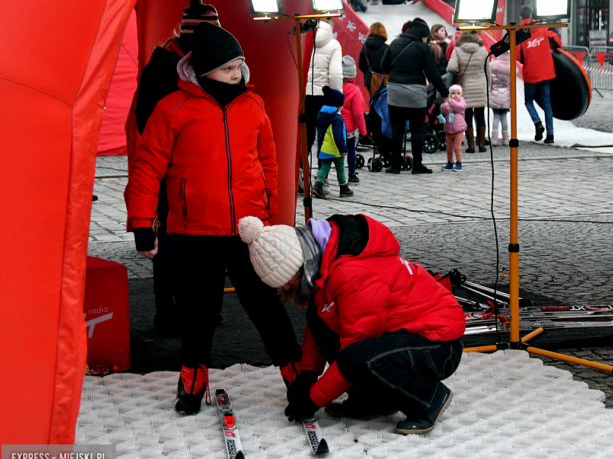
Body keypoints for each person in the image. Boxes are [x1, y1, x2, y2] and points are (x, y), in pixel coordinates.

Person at [126, 23, 302, 415]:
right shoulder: (171, 108)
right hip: (194, 231)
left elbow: (268, 163)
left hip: (247, 231)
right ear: (203, 69)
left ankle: (296, 374)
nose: (236, 74)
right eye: (227, 68)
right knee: (197, 310)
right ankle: (192, 377)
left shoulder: (253, 105)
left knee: (266, 306)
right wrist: (141, 222)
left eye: (239, 66)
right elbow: (146, 168)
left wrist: (268, 215)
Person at [237, 214, 466, 434]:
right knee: (320, 317)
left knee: (358, 357)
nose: (286, 288)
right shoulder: (326, 262)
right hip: (402, 340)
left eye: (286, 280)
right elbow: (321, 324)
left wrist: (313, 399)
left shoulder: (352, 273)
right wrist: (306, 375)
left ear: (299, 264)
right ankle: (369, 400)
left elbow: (356, 348)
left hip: (438, 347)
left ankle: (428, 399)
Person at [130, 0, 221, 335]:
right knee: (168, 243)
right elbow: (146, 121)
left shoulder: (212, 62)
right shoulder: (163, 64)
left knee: (207, 242)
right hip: (171, 168)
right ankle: (166, 314)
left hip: (204, 168)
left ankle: (204, 309)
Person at [381, 18, 450, 174]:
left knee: (397, 129)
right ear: (422, 35)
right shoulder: (423, 48)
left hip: (396, 91)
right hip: (415, 92)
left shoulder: (394, 44)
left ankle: (395, 165)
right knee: (417, 129)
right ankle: (417, 165)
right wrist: (445, 93)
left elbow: (383, 66)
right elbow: (432, 74)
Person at [517, 6, 562, 144]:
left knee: (528, 101)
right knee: (547, 103)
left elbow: (519, 56)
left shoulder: (519, 32)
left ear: (521, 17)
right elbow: (557, 43)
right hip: (546, 71)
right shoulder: (543, 28)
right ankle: (550, 135)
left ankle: (537, 123)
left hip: (531, 72)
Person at [447, 31, 491, 153]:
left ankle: (471, 146)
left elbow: (451, 67)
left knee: (468, 115)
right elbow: (488, 69)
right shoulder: (482, 49)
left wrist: (459, 71)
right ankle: (482, 145)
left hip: (466, 85)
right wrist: (488, 86)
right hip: (481, 84)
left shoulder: (458, 49)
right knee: (480, 114)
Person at [305, 19, 343, 152]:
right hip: (324, 98)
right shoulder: (334, 45)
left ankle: (301, 167)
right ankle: (323, 170)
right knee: (325, 136)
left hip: (306, 95)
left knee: (306, 135)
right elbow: (335, 74)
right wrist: (338, 98)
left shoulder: (304, 40)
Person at [312, 87, 352, 198]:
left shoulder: (321, 115)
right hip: (336, 149)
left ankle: (317, 186)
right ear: (338, 105)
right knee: (340, 169)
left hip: (324, 149)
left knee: (324, 168)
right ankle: (344, 188)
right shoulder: (336, 119)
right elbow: (338, 135)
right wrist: (343, 149)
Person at [341, 56, 367, 186]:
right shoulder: (354, 90)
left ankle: (325, 176)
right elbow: (358, 114)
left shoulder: (335, 87)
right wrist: (363, 131)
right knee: (351, 150)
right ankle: (351, 175)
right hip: (349, 129)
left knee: (335, 152)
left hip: (335, 127)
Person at [440, 85, 467, 172]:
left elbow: (459, 107)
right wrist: (443, 107)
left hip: (459, 130)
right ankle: (449, 162)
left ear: (461, 95)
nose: (456, 95)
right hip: (449, 129)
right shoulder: (449, 103)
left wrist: (451, 102)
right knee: (449, 148)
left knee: (457, 147)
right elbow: (444, 111)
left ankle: (459, 163)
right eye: (453, 93)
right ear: (450, 94)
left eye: (458, 93)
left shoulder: (461, 103)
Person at [359, 22, 389, 93]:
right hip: (383, 80)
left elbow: (360, 65)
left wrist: (368, 72)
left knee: (372, 100)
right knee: (381, 101)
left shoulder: (365, 47)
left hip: (369, 80)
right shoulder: (386, 48)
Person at [490, 51, 511, 147]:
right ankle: (505, 140)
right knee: (504, 118)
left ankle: (495, 140)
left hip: (495, 96)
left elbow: (490, 83)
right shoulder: (511, 70)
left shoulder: (493, 68)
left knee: (496, 117)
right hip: (506, 97)